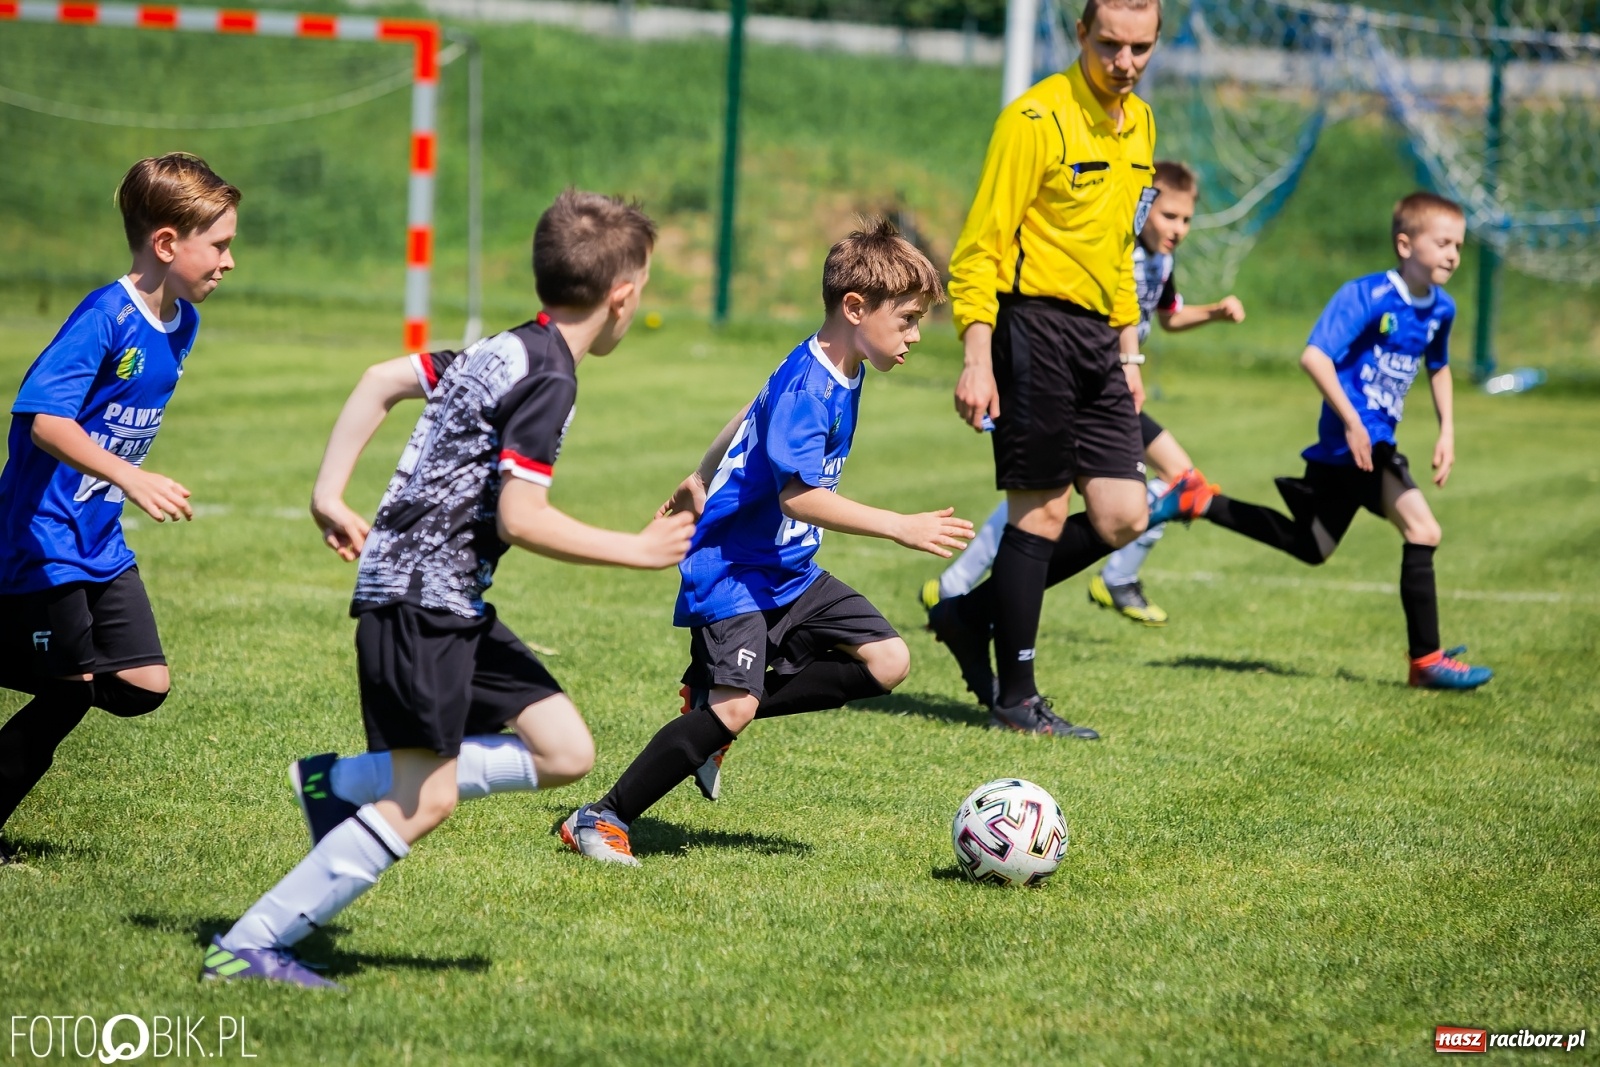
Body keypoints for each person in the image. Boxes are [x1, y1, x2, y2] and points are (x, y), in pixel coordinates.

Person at [201, 191, 694, 987]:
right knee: (425, 801)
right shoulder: (549, 379)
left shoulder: (503, 347)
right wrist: (636, 551)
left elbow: (379, 378)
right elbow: (522, 515)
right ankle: (249, 942)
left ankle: (341, 783)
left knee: (566, 748)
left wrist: (330, 491)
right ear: (623, 296)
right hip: (420, 606)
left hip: (445, 601)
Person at [559, 219, 973, 866]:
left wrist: (700, 472)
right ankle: (602, 814)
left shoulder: (838, 360)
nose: (918, 335)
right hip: (732, 567)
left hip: (786, 566)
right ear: (856, 308)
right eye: (910, 319)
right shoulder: (813, 386)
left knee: (888, 661)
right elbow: (798, 497)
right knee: (735, 708)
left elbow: (749, 410)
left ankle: (712, 708)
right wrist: (900, 524)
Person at [931, 0, 1185, 735]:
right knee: (1038, 510)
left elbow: (1120, 252)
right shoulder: (1034, 120)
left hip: (1100, 339)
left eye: (1140, 47)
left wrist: (1129, 351)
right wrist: (977, 358)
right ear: (1080, 34)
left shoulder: (1141, 124)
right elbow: (979, 247)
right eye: (1110, 44)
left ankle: (969, 613)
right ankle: (1016, 696)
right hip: (1029, 326)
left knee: (1123, 513)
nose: (1125, 62)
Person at [0, 154, 238, 864]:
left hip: (97, 540)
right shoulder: (104, 316)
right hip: (43, 535)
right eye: (219, 244)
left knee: (141, 685)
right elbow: (44, 419)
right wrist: (130, 477)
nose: (230, 259)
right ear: (168, 244)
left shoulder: (182, 322)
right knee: (70, 688)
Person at [1170, 191, 1492, 689]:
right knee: (1423, 530)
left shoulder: (1440, 309)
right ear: (1406, 244)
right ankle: (1426, 662)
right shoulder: (1366, 295)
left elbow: (1440, 366)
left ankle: (1202, 501)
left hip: (1364, 445)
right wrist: (1353, 421)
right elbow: (1314, 357)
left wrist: (1448, 430)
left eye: (1459, 245)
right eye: (1443, 242)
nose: (1453, 253)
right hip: (1358, 442)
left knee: (1312, 544)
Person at [924, 160, 1245, 626]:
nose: (1178, 228)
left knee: (1169, 481)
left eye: (1186, 219)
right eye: (1168, 216)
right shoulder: (1114, 251)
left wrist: (1213, 313)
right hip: (1085, 386)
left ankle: (1103, 576)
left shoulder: (1161, 260)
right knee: (1041, 495)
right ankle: (968, 586)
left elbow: (1169, 315)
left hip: (1114, 394)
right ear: (1143, 207)